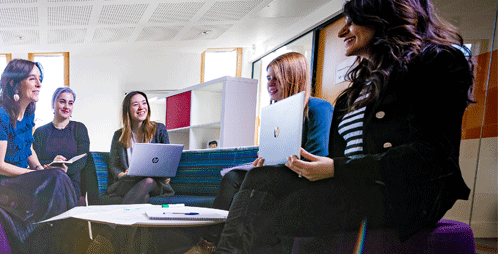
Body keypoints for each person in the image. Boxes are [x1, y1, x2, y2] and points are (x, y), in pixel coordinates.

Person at [215, 0, 473, 253]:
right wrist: (313, 168)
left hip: (401, 193)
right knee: (260, 179)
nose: (342, 31)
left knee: (265, 210)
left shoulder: (439, 62)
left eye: (352, 21)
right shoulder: (357, 89)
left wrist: (336, 169)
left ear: (381, 18)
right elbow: (338, 159)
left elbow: (433, 156)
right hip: (352, 184)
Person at [187, 52, 333, 254]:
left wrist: (279, 163)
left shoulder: (318, 107)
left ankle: (219, 248)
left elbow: (317, 155)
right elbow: (270, 151)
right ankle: (209, 243)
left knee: (255, 178)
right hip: (278, 172)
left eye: (276, 78)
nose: (270, 83)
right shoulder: (275, 114)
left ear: (292, 77)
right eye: (268, 78)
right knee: (232, 177)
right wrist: (263, 162)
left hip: (304, 177)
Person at [0, 59, 78, 253]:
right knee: (57, 177)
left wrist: (40, 168)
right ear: (14, 83)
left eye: (39, 79)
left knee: (59, 175)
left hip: (18, 181)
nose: (39, 84)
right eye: (33, 79)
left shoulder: (29, 112)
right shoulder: (1, 116)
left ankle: (64, 241)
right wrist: (33, 174)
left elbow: (27, 147)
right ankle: (63, 243)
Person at [105, 91, 173, 204]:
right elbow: (113, 165)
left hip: (154, 183)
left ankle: (117, 220)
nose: (141, 108)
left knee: (148, 181)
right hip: (128, 182)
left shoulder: (159, 129)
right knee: (143, 197)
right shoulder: (118, 135)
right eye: (135, 104)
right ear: (128, 109)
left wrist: (165, 174)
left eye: (144, 103)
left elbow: (167, 159)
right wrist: (123, 174)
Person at [33, 87, 90, 203]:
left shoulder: (80, 129)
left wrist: (65, 170)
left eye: (70, 103)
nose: (66, 107)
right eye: (62, 102)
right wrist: (52, 164)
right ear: (53, 104)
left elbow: (82, 159)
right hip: (46, 179)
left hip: (71, 181)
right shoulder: (40, 132)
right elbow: (36, 159)